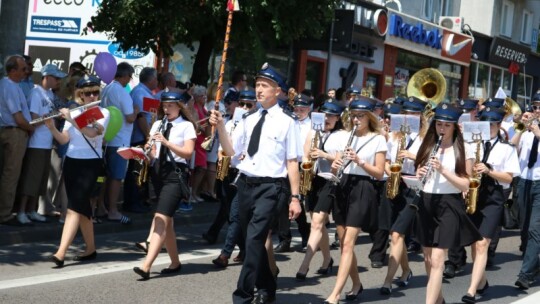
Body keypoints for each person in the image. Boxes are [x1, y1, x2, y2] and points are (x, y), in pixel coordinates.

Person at [209, 63, 302, 304]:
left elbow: (292, 162)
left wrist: (295, 197)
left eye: (265, 86)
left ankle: (242, 295)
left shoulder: (287, 122)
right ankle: (268, 286)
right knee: (250, 238)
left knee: (254, 239)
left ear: (278, 91)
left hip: (272, 187)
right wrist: (220, 126)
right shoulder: (249, 118)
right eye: (257, 85)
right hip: (246, 184)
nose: (258, 90)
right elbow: (231, 151)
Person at [413, 102, 482, 304]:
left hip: (449, 204)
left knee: (437, 260)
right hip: (426, 200)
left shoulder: (464, 149)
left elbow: (465, 185)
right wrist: (419, 173)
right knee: (428, 257)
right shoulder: (427, 145)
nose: (441, 129)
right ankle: (439, 299)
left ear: (455, 127)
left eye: (447, 125)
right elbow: (418, 173)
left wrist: (443, 170)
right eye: (439, 124)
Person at [324, 97, 387, 304]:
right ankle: (357, 284)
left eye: (360, 116)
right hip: (343, 185)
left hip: (363, 188)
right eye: (353, 116)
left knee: (349, 242)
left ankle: (335, 294)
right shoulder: (345, 137)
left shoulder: (378, 139)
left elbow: (378, 173)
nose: (356, 120)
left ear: (369, 117)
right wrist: (336, 164)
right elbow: (335, 166)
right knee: (343, 244)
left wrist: (360, 161)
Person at [46, 75, 109, 267]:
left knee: (73, 208)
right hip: (72, 161)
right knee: (82, 209)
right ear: (80, 94)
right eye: (87, 93)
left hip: (90, 164)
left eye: (95, 92)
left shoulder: (103, 112)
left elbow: (92, 134)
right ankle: (90, 249)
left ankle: (61, 252)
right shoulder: (75, 112)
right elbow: (64, 139)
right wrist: (51, 127)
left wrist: (72, 119)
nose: (92, 96)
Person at [132, 91, 196, 280]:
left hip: (175, 175)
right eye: (164, 106)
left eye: (170, 106)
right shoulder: (158, 124)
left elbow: (188, 153)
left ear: (179, 106)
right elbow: (152, 152)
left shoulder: (187, 126)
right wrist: (145, 151)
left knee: (161, 218)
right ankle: (175, 262)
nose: (166, 109)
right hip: (157, 173)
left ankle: (146, 266)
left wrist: (166, 142)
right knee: (167, 223)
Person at [460, 107, 519, 303]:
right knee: (475, 245)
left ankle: (471, 290)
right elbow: (465, 172)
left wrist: (488, 170)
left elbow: (509, 178)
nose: (488, 128)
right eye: (485, 124)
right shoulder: (471, 144)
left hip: (493, 196)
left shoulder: (506, 148)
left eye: (492, 125)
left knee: (483, 243)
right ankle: (482, 281)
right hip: (475, 194)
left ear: (499, 125)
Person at [379, 97, 427, 295]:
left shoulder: (427, 138)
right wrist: (392, 171)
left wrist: (414, 157)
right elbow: (386, 161)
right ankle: (406, 270)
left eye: (414, 114)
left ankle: (387, 281)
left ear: (420, 116)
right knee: (394, 234)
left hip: (413, 187)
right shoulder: (393, 136)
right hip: (394, 184)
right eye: (406, 113)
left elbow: (431, 163)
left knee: (398, 235)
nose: (409, 117)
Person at [295, 101, 345, 280]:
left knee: (316, 222)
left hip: (330, 181)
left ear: (338, 118)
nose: (327, 119)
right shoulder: (312, 131)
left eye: (331, 116)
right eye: (325, 115)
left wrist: (324, 155)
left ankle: (304, 265)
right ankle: (327, 260)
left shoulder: (342, 135)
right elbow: (305, 155)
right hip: (313, 179)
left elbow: (340, 161)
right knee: (319, 224)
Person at [210, 90, 257, 268]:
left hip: (244, 174)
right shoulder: (229, 123)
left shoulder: (255, 125)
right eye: (242, 104)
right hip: (227, 170)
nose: (244, 108)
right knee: (231, 214)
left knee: (235, 214)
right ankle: (244, 248)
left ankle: (225, 253)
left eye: (249, 105)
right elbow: (224, 144)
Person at [16, 64, 67, 225]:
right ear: (46, 77)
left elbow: (46, 117)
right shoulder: (36, 93)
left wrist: (54, 117)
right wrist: (51, 117)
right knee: (31, 179)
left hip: (46, 143)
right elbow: (34, 118)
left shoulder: (50, 94)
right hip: (36, 143)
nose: (58, 81)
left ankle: (32, 210)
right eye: (56, 78)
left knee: (40, 180)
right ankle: (22, 211)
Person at [101, 62, 138, 224]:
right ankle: (113, 210)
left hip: (107, 138)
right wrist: (137, 110)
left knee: (107, 176)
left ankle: (102, 207)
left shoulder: (106, 89)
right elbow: (130, 117)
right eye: (130, 77)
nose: (130, 80)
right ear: (124, 75)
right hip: (120, 140)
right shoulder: (121, 92)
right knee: (116, 177)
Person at [274, 93, 312, 253]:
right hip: (287, 165)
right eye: (296, 108)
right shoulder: (288, 122)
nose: (298, 111)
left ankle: (306, 235)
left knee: (298, 202)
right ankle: (284, 239)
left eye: (302, 109)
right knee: (283, 202)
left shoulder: (313, 126)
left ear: (309, 109)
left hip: (303, 166)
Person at [0, 55, 35, 226]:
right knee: (11, 175)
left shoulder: (11, 85)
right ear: (13, 71)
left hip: (14, 131)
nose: (26, 72)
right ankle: (5, 214)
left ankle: (6, 211)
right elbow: (19, 118)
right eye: (23, 69)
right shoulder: (10, 86)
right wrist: (31, 128)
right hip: (15, 132)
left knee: (10, 174)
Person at [513, 94, 540, 289]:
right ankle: (535, 263)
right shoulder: (527, 128)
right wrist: (521, 128)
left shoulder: (536, 130)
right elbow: (512, 145)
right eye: (535, 106)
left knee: (534, 229)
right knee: (523, 224)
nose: (536, 110)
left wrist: (537, 130)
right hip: (524, 181)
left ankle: (526, 274)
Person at [123, 67, 158, 213]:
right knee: (135, 171)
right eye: (156, 78)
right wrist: (147, 137)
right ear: (151, 79)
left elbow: (151, 115)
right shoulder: (139, 93)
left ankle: (140, 200)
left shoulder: (147, 93)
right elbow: (141, 117)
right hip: (140, 138)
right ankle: (131, 203)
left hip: (145, 137)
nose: (157, 81)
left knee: (143, 171)